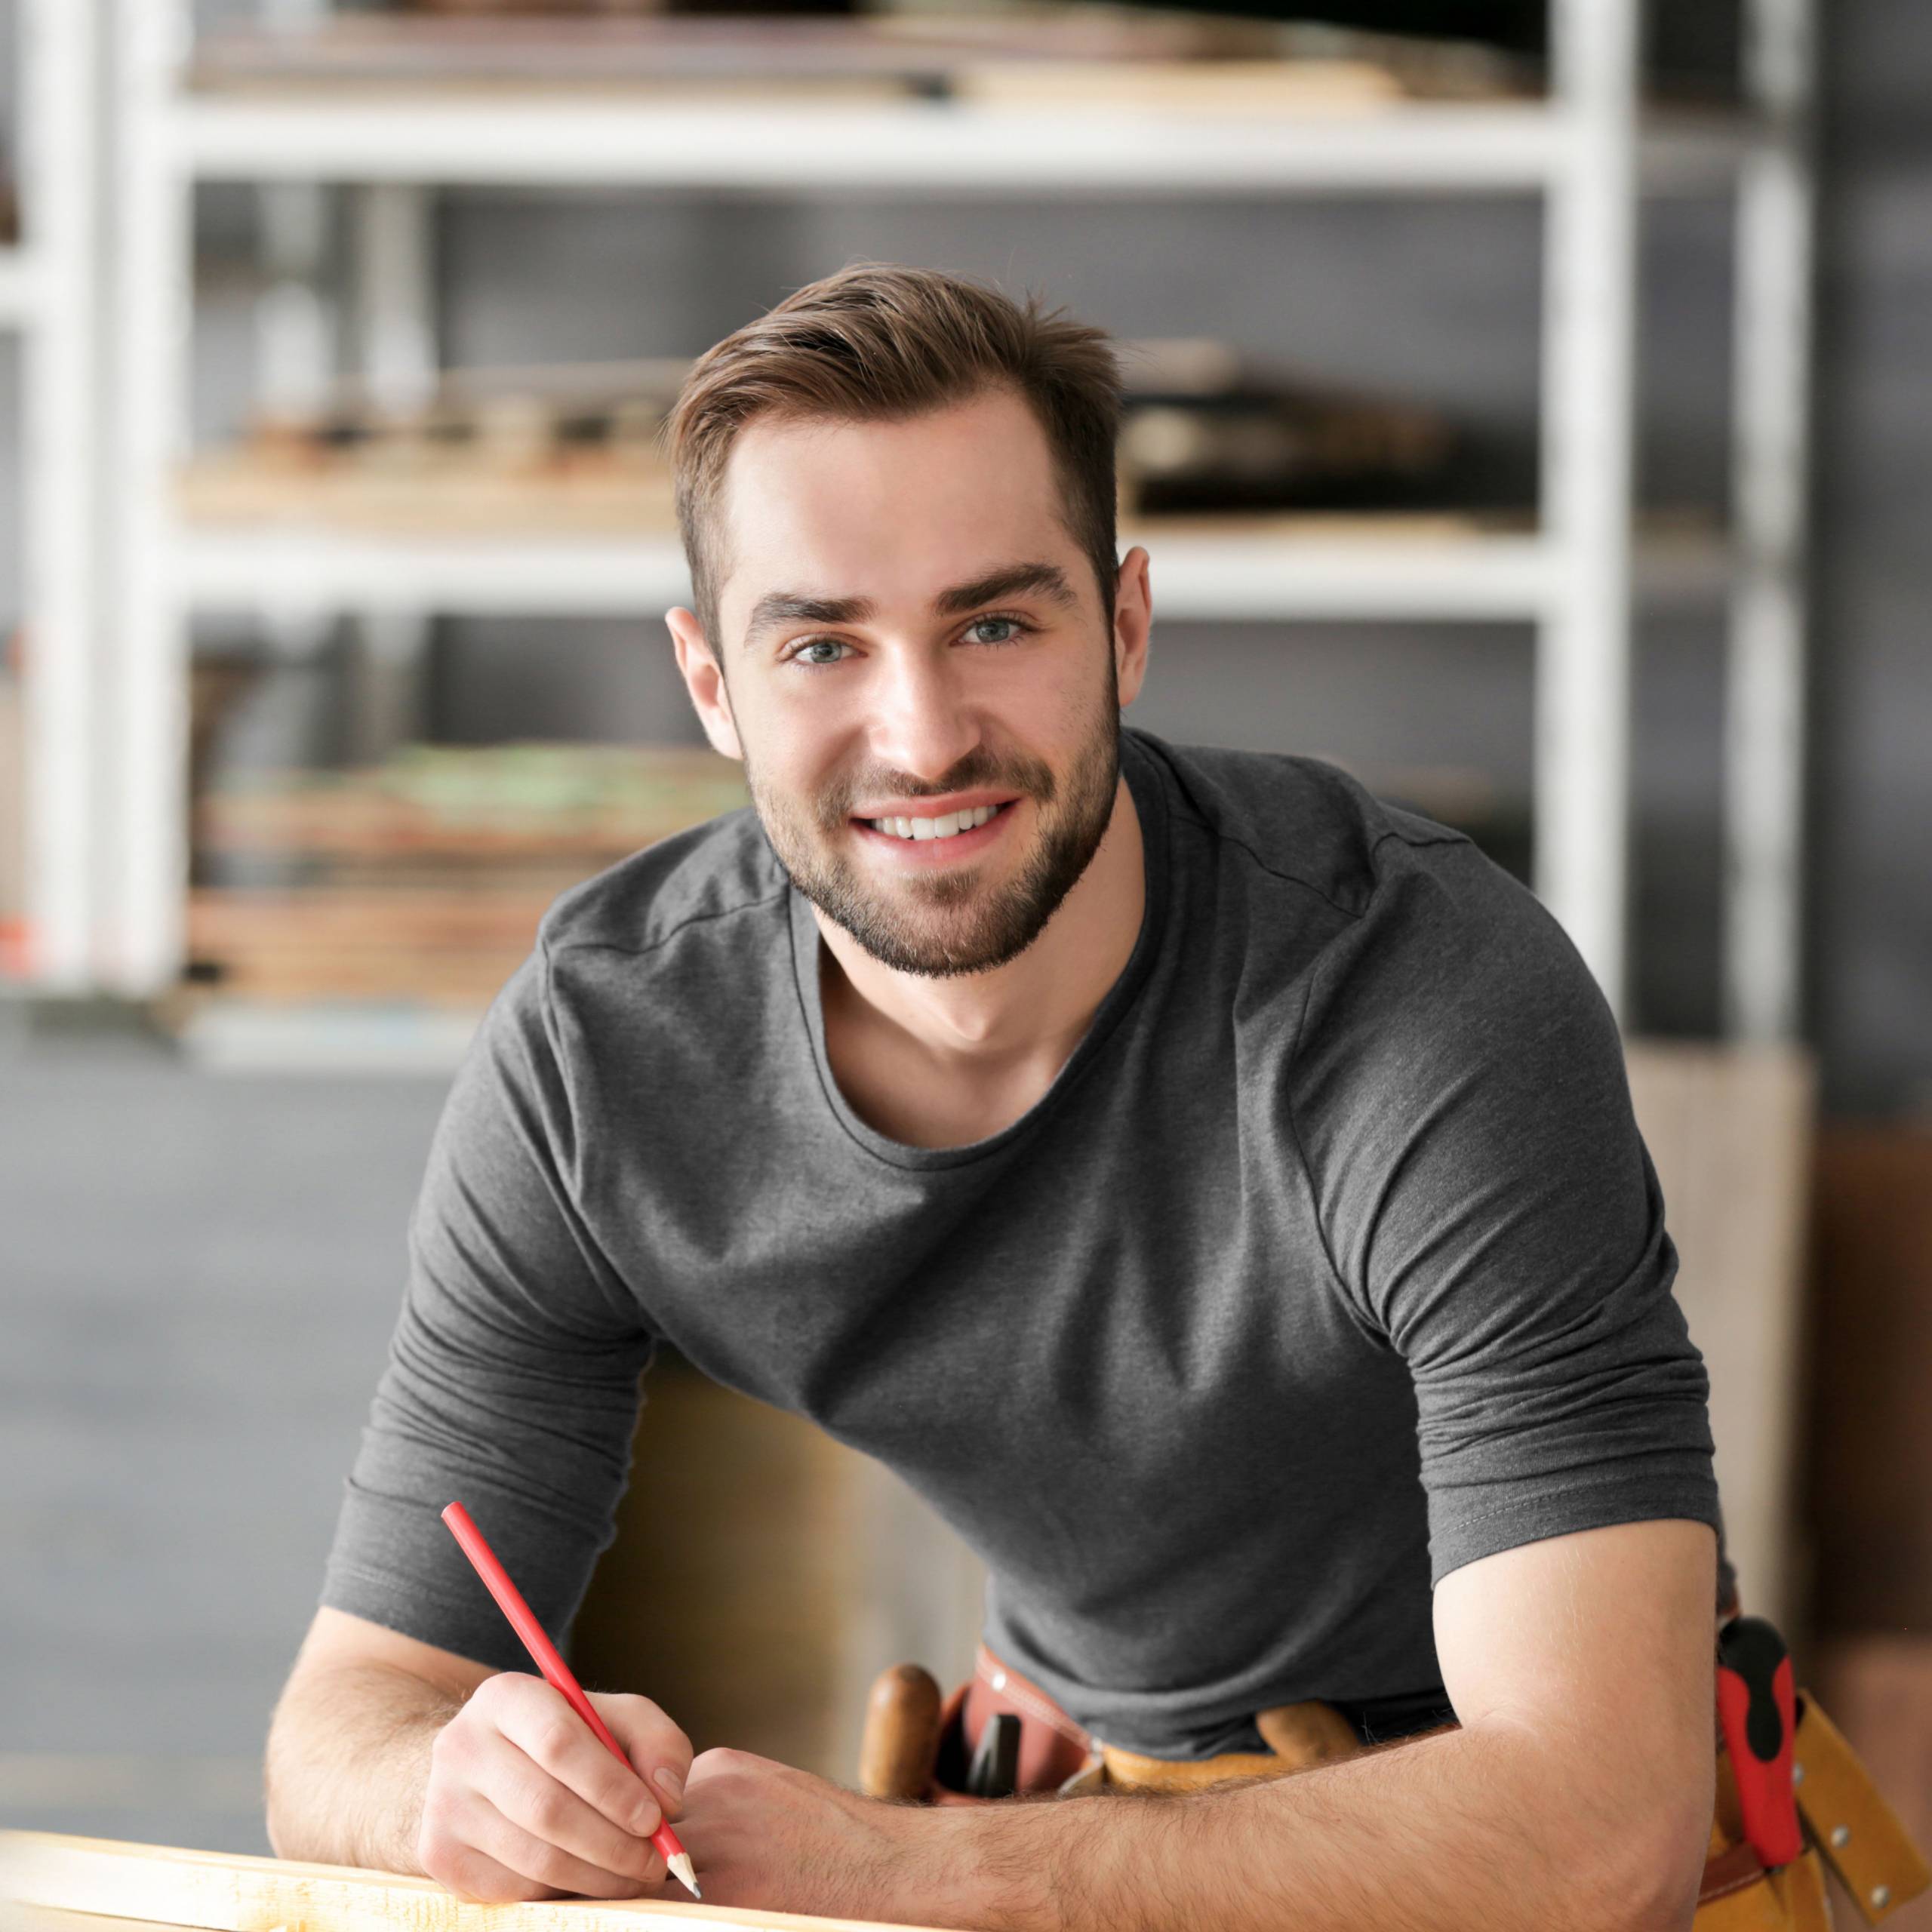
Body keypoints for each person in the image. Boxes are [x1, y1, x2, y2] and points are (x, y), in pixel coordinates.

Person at [265, 263, 1724, 1930]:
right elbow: (345, 1717)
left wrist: (916, 1871)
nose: (921, 731)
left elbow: (1600, 1824)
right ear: (709, 683)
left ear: (1121, 623)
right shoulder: (598, 1064)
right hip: (1092, 1805)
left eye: (994, 622)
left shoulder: (1410, 995)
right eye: (820, 641)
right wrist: (449, 1789)